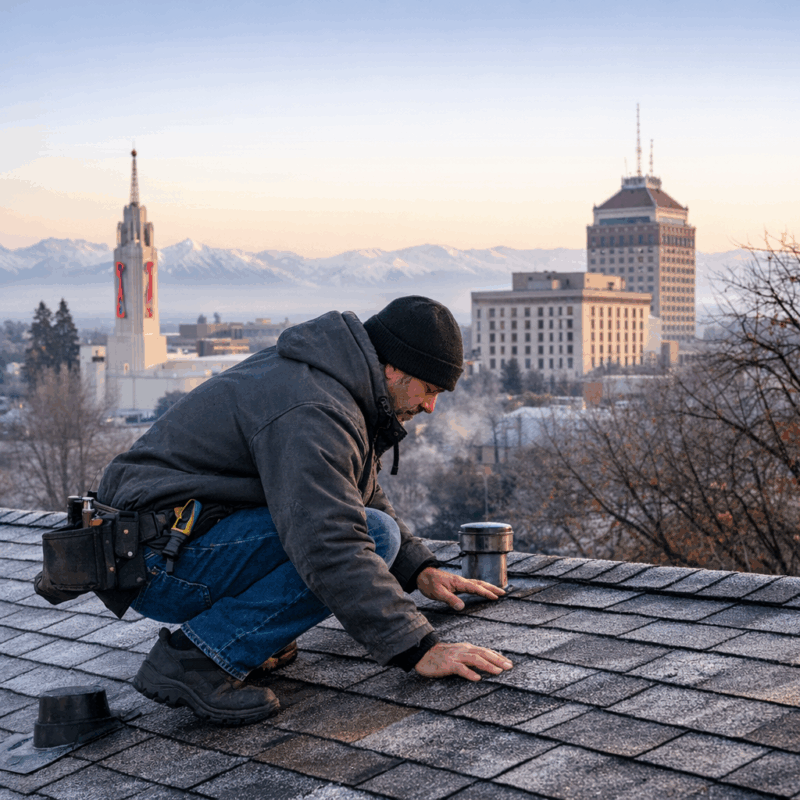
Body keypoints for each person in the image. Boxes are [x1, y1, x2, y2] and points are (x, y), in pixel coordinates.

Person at [96, 296, 513, 725]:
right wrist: (420, 648)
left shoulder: (331, 381)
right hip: (151, 561)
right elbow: (328, 539)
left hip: (159, 542)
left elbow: (351, 492)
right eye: (429, 390)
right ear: (393, 368)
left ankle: (240, 635)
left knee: (380, 534)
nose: (430, 407)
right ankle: (197, 660)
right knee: (367, 535)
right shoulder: (315, 408)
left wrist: (419, 569)